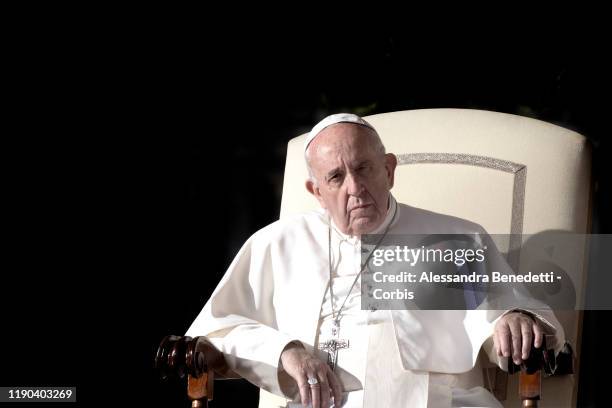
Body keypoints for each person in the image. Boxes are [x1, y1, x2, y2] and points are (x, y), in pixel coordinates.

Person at [186, 113, 564, 407]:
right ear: (316, 191)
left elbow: (506, 309)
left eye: (364, 167)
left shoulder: (456, 237)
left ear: (388, 169)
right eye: (336, 177)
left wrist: (515, 317)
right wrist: (286, 351)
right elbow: (218, 332)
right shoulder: (276, 242)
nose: (355, 188)